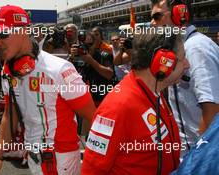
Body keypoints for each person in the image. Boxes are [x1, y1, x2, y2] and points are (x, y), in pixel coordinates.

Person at [0, 5, 96, 175]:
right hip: (33, 158)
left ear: (23, 30)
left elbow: (93, 117)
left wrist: (96, 160)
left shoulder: (60, 69)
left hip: (61, 161)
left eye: (3, 34)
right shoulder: (8, 70)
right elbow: (9, 114)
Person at [81, 29, 190, 175]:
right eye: (182, 58)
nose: (187, 64)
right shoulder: (117, 107)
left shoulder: (155, 91)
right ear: (162, 62)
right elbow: (91, 170)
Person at [151, 0, 219, 155]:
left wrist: (196, 160)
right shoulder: (182, 46)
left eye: (157, 16)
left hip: (200, 156)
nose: (152, 23)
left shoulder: (196, 48)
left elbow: (212, 111)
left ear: (180, 14)